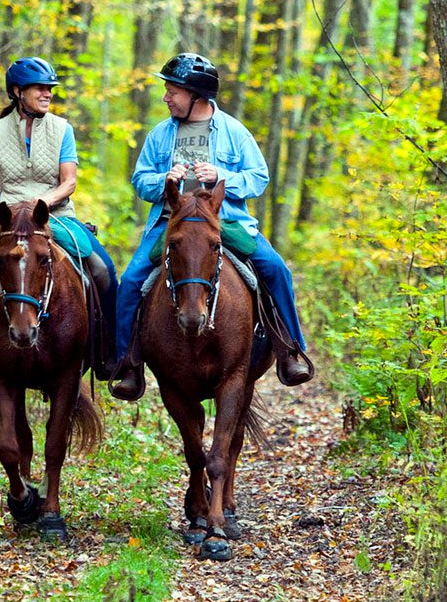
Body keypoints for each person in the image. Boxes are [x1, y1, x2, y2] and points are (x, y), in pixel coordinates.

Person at [109, 53, 314, 401]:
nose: (166, 97)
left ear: (196, 95)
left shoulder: (234, 132)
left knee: (277, 269)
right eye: (167, 90)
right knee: (129, 282)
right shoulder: (160, 135)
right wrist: (163, 180)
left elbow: (258, 178)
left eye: (173, 91)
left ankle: (289, 351)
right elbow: (140, 180)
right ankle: (126, 363)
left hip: (226, 222)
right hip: (170, 224)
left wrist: (223, 177)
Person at [0, 57, 118, 386]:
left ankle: (108, 349)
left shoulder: (62, 130)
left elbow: (69, 182)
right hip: (9, 221)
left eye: (50, 89)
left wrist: (46, 201)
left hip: (54, 216)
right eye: (40, 88)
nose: (47, 94)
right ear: (17, 92)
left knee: (103, 269)